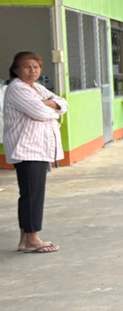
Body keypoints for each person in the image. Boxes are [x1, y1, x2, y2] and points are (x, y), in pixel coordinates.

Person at [3, 52, 67, 254]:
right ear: (16, 70)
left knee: (30, 194)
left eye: (36, 67)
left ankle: (25, 239)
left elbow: (63, 104)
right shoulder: (17, 89)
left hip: (39, 148)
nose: (33, 70)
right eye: (27, 67)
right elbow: (39, 113)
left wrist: (51, 105)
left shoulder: (36, 87)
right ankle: (33, 239)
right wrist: (50, 107)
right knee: (33, 195)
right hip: (28, 148)